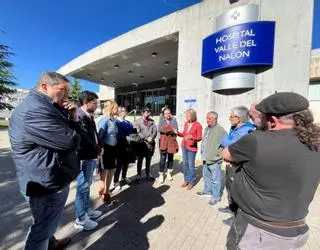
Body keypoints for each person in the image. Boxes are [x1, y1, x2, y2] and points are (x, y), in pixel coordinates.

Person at [221, 92, 320, 250]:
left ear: (273, 121)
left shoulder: (256, 140)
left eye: (262, 117)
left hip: (259, 232)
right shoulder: (315, 141)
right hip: (297, 230)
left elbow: (226, 153)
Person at [9, 72, 81, 250]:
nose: (66, 95)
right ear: (44, 87)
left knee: (45, 221)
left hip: (47, 175)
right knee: (41, 228)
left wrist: (69, 115)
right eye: (62, 90)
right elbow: (69, 141)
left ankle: (51, 242)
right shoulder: (35, 109)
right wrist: (75, 120)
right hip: (45, 182)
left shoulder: (47, 105)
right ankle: (44, 242)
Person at [219, 106, 255, 225]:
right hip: (231, 164)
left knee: (237, 192)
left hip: (238, 166)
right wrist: (227, 141)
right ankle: (231, 208)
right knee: (229, 188)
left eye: (231, 117)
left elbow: (230, 142)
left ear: (239, 118)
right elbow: (226, 140)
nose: (229, 119)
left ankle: (236, 218)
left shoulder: (247, 130)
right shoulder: (235, 128)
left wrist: (227, 141)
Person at [74, 91, 103, 231]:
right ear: (86, 102)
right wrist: (98, 149)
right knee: (82, 188)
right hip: (83, 158)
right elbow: (84, 139)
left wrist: (100, 147)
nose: (96, 105)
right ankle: (80, 220)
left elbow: (94, 135)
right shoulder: (79, 116)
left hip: (90, 157)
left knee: (87, 186)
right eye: (94, 102)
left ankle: (86, 211)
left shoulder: (88, 116)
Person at [197, 111, 226, 206]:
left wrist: (219, 154)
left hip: (215, 159)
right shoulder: (206, 128)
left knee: (215, 179)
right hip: (205, 158)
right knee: (206, 176)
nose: (207, 120)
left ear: (215, 119)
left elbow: (226, 144)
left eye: (209, 118)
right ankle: (207, 191)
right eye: (207, 118)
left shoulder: (221, 130)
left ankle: (216, 197)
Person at [98, 100, 118, 204]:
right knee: (104, 172)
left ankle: (107, 192)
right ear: (111, 108)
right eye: (116, 107)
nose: (117, 110)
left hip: (113, 149)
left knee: (112, 170)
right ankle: (102, 192)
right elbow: (100, 136)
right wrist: (100, 150)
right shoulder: (104, 120)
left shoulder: (113, 120)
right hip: (105, 149)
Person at [178, 109, 202, 190]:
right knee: (185, 164)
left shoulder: (198, 125)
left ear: (192, 115)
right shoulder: (186, 124)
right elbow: (184, 134)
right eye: (186, 115)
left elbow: (199, 137)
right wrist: (177, 132)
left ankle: (191, 181)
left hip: (192, 147)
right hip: (184, 146)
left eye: (187, 115)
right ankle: (186, 180)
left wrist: (193, 138)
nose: (186, 117)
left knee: (191, 165)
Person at [114, 106, 136, 187]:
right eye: (124, 111)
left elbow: (132, 131)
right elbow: (117, 134)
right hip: (120, 146)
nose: (125, 112)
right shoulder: (116, 122)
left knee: (126, 163)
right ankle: (116, 181)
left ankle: (124, 177)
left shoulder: (128, 122)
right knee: (119, 164)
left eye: (125, 111)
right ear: (119, 112)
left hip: (129, 146)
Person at [134, 107, 157, 182]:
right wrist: (146, 138)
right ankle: (139, 175)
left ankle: (148, 174)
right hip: (142, 144)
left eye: (149, 112)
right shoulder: (137, 122)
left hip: (150, 144)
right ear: (142, 113)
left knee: (148, 160)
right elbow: (138, 132)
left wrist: (152, 137)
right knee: (140, 160)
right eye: (146, 112)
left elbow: (155, 131)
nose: (148, 113)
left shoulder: (152, 121)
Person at [158, 107, 179, 184]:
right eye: (166, 113)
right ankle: (161, 174)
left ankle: (169, 173)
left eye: (169, 113)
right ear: (163, 115)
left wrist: (167, 129)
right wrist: (170, 129)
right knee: (162, 159)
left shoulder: (174, 120)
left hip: (171, 142)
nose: (168, 115)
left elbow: (176, 129)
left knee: (170, 158)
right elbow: (159, 129)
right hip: (163, 142)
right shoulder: (161, 120)